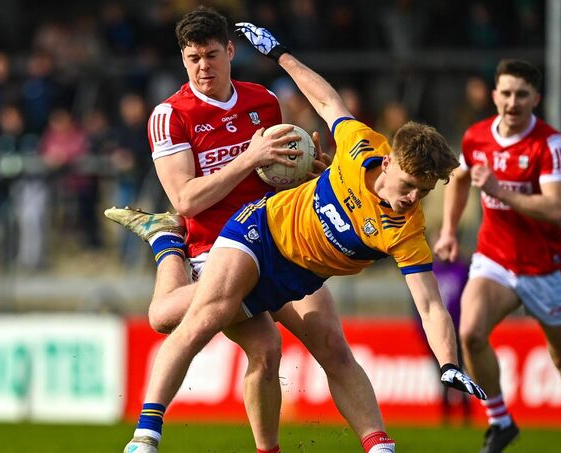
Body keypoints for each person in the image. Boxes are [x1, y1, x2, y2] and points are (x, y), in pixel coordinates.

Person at [116, 20, 487, 453]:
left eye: (211, 55)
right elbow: (185, 199)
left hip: (299, 265)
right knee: (210, 329)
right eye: (193, 58)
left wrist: (309, 174)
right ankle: (146, 432)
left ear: (230, 52)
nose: (203, 66)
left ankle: (379, 445)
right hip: (241, 238)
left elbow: (429, 304)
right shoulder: (171, 115)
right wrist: (277, 68)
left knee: (330, 346)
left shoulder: (264, 103)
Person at [433, 59, 561, 453]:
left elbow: (557, 207)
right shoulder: (477, 137)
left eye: (521, 94)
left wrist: (499, 191)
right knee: (470, 333)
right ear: (494, 95)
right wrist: (449, 230)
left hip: (544, 268)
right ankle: (500, 421)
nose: (512, 102)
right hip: (495, 259)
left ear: (536, 99)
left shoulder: (549, 144)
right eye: (506, 93)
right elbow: (460, 178)